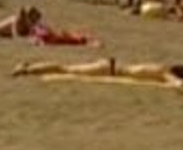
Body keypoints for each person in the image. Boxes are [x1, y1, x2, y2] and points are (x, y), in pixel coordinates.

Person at [12, 57, 183, 87]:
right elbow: (176, 84)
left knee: (67, 68)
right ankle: (27, 69)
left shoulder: (164, 69)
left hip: (110, 68)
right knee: (66, 69)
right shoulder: (164, 72)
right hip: (109, 70)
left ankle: (29, 68)